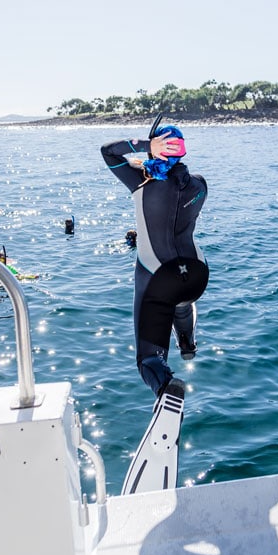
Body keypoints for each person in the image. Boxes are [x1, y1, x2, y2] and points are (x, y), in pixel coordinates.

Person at [101, 123, 208, 397]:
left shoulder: (141, 183)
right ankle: (188, 344)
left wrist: (145, 149)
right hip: (196, 275)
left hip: (159, 278)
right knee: (182, 302)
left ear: (156, 150)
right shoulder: (200, 185)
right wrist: (151, 160)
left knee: (148, 360)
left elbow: (109, 152)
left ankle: (165, 387)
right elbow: (171, 178)